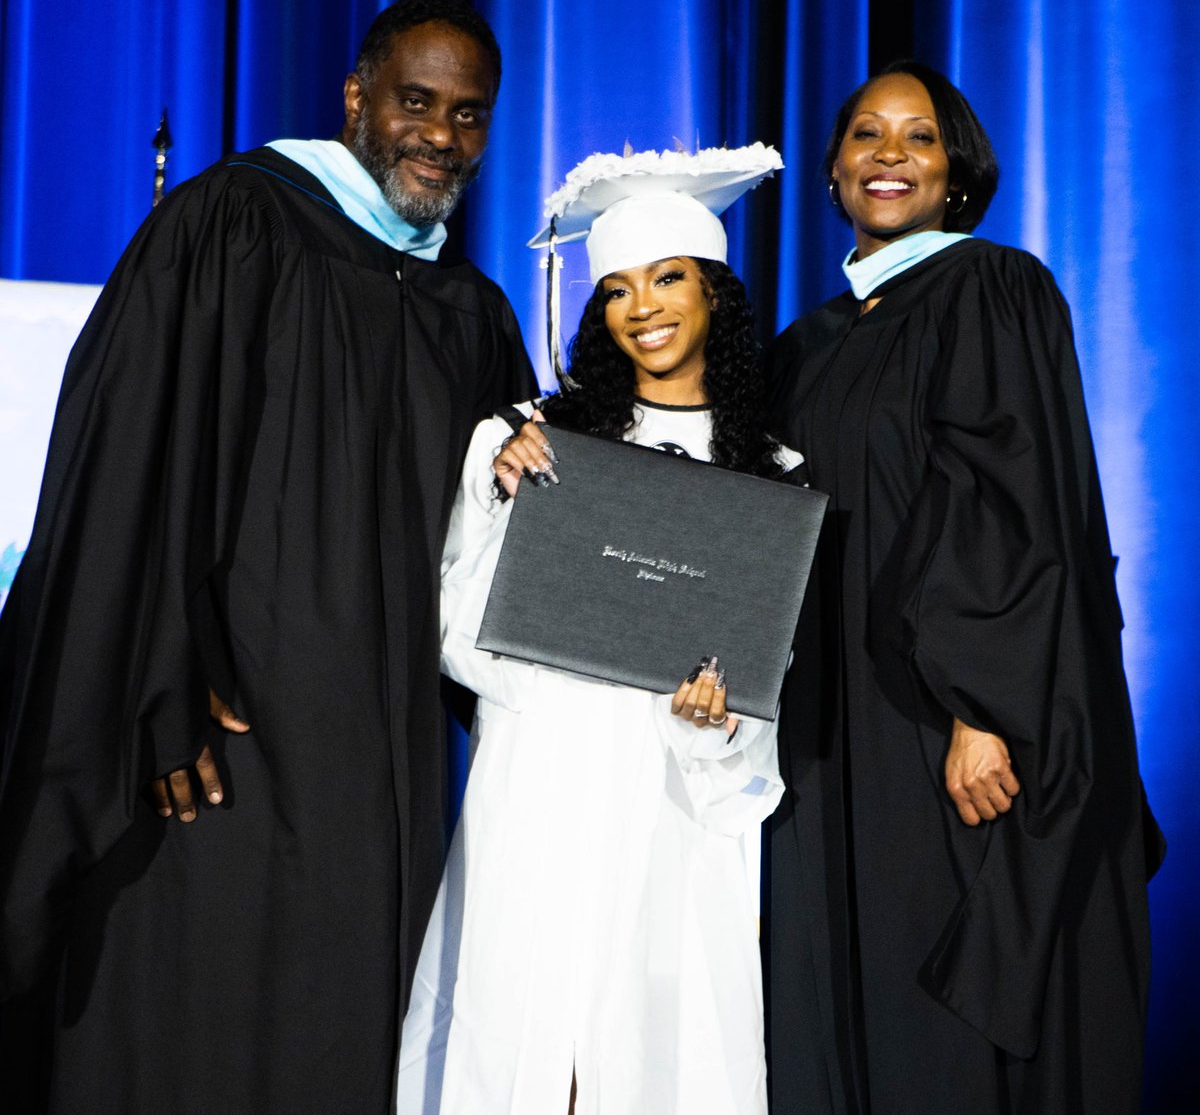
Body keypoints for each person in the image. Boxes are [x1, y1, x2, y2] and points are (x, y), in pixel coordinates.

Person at [0, 0, 535, 1114]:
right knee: (184, 1014)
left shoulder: (471, 315)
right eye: (416, 102)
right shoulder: (232, 225)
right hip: (216, 729)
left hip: (375, 755)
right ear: (357, 98)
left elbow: (495, 558)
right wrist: (155, 684)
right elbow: (125, 468)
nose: (439, 135)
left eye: (468, 116)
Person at [764, 61, 1163, 1114]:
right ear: (836, 168)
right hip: (824, 723)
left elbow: (1011, 508)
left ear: (959, 171)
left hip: (939, 723)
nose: (889, 154)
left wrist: (984, 709)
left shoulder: (990, 288)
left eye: (919, 137)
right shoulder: (806, 344)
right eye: (866, 136)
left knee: (933, 1020)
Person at [394, 146, 798, 1114]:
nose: (642, 307)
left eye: (667, 279)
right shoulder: (528, 439)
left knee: (660, 1051)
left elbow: (759, 699)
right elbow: (456, 635)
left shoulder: (769, 475)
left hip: (671, 808)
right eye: (615, 289)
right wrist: (506, 510)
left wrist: (714, 725)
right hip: (542, 780)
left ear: (715, 296)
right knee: (522, 1041)